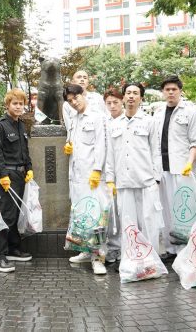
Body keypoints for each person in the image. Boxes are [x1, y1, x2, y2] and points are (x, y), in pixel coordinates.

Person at [105, 82, 163, 255]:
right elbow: (110, 155)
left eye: (135, 93)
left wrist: (156, 179)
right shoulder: (114, 124)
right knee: (128, 224)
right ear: (123, 97)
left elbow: (156, 151)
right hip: (124, 182)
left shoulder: (149, 122)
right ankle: (129, 260)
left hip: (146, 181)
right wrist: (110, 180)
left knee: (149, 223)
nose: (131, 96)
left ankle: (150, 260)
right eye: (128, 93)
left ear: (141, 98)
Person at [154, 76, 196, 261]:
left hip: (181, 169)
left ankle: (186, 250)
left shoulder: (190, 111)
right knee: (166, 211)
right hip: (162, 170)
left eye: (174, 89)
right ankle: (170, 249)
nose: (170, 92)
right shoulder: (158, 113)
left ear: (180, 90)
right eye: (167, 89)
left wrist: (189, 163)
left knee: (183, 212)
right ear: (163, 92)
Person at [63, 84, 108, 275]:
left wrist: (97, 169)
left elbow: (101, 144)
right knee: (81, 217)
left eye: (76, 98)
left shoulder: (98, 116)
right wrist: (68, 144)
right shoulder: (73, 118)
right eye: (70, 101)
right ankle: (83, 250)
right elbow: (73, 140)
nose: (74, 103)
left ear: (83, 95)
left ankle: (98, 258)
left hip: (92, 177)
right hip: (77, 176)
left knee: (97, 217)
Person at [0, 89, 34, 273]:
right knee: (5, 215)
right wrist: (3, 174)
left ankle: (12, 248)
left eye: (21, 103)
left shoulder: (21, 125)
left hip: (20, 175)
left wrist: (29, 168)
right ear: (7, 105)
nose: (18, 106)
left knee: (15, 214)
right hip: (7, 174)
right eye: (14, 103)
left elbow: (25, 150)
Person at [103, 88, 124, 268]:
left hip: (127, 175)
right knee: (111, 214)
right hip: (108, 175)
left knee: (126, 214)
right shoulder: (104, 122)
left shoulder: (128, 120)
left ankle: (125, 249)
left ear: (122, 101)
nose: (112, 106)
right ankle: (112, 249)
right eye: (108, 103)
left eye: (115, 102)